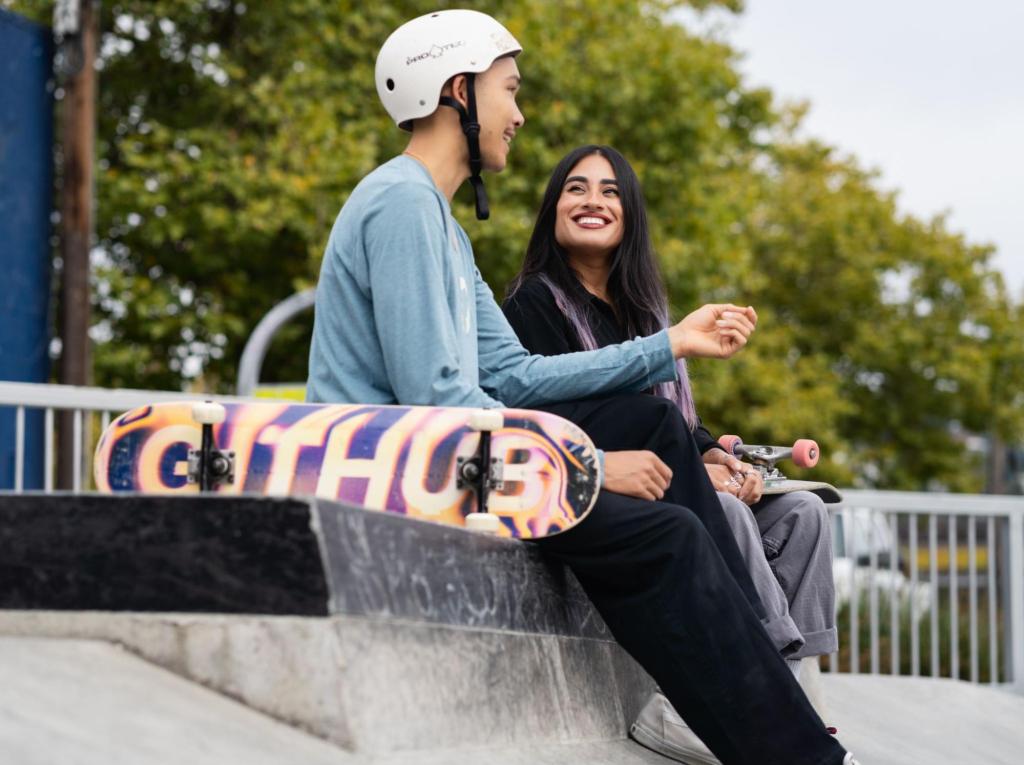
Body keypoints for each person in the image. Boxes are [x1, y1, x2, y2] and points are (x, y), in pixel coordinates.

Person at [306, 11, 855, 765]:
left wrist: (670, 344)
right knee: (672, 535)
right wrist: (585, 464)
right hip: (404, 470)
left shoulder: (441, 223)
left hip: (455, 460)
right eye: (509, 91)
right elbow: (435, 398)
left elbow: (516, 375)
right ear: (458, 91)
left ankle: (765, 694)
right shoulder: (400, 204)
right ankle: (799, 752)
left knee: (657, 430)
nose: (519, 114)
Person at [501, 144, 839, 761]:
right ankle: (711, 692)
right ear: (552, 208)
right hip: (612, 486)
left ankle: (801, 698)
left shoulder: (645, 310)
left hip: (674, 475)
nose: (592, 201)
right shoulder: (532, 305)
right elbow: (552, 411)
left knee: (804, 517)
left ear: (630, 213)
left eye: (609, 191)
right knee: (730, 519)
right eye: (576, 189)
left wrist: (715, 457)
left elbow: (685, 424)